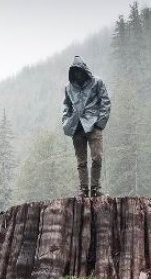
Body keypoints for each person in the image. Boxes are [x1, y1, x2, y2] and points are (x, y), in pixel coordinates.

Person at [62, 56, 111, 197]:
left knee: (97, 157)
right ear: (72, 72)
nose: (77, 73)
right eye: (75, 71)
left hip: (94, 125)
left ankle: (95, 189)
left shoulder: (97, 82)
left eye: (79, 70)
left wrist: (100, 123)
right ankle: (83, 190)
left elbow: (105, 102)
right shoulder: (68, 87)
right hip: (76, 127)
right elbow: (66, 106)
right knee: (81, 161)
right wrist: (67, 122)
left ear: (84, 69)